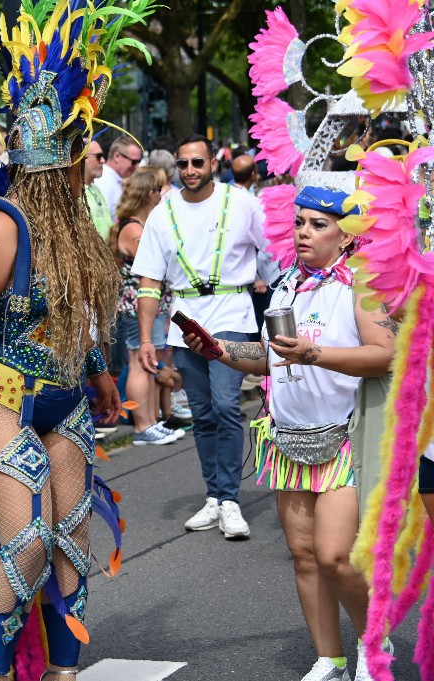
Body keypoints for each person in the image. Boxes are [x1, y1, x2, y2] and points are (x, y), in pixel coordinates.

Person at [0, 3, 141, 677]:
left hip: (68, 398)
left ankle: (65, 670)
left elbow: (82, 312)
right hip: (3, 397)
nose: (88, 165)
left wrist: (103, 371)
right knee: (26, 546)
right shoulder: (2, 226)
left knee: (72, 543)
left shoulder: (77, 225)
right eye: (84, 155)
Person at [185, 185, 395, 681]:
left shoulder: (362, 284)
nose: (303, 231)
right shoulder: (285, 285)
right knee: (304, 556)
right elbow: (270, 357)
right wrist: (218, 351)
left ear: (345, 236)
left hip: (342, 437)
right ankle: (330, 659)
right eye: (300, 222)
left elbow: (384, 353)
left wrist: (314, 355)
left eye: (318, 224)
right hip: (288, 439)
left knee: (336, 555)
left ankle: (374, 643)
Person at [132, 133, 265, 540]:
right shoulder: (162, 212)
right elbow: (150, 282)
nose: (190, 170)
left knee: (226, 405)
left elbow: (276, 251)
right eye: (184, 164)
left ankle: (230, 500)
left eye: (198, 163)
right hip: (184, 320)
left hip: (231, 312)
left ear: (213, 164)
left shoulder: (241, 202)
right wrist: (147, 339)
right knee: (203, 414)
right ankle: (215, 496)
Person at [108, 169, 183, 446]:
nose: (162, 196)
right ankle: (142, 425)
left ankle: (152, 421)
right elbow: (154, 263)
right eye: (158, 191)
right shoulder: (133, 229)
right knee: (138, 363)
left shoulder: (141, 225)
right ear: (148, 194)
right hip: (135, 306)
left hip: (148, 305)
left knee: (149, 363)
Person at [93, 135, 142, 219]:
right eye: (134, 162)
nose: (137, 167)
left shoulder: (113, 179)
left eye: (139, 162)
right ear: (117, 157)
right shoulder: (105, 181)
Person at [83, 139, 112, 239]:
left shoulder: (95, 188)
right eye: (98, 156)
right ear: (83, 158)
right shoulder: (74, 194)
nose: (103, 161)